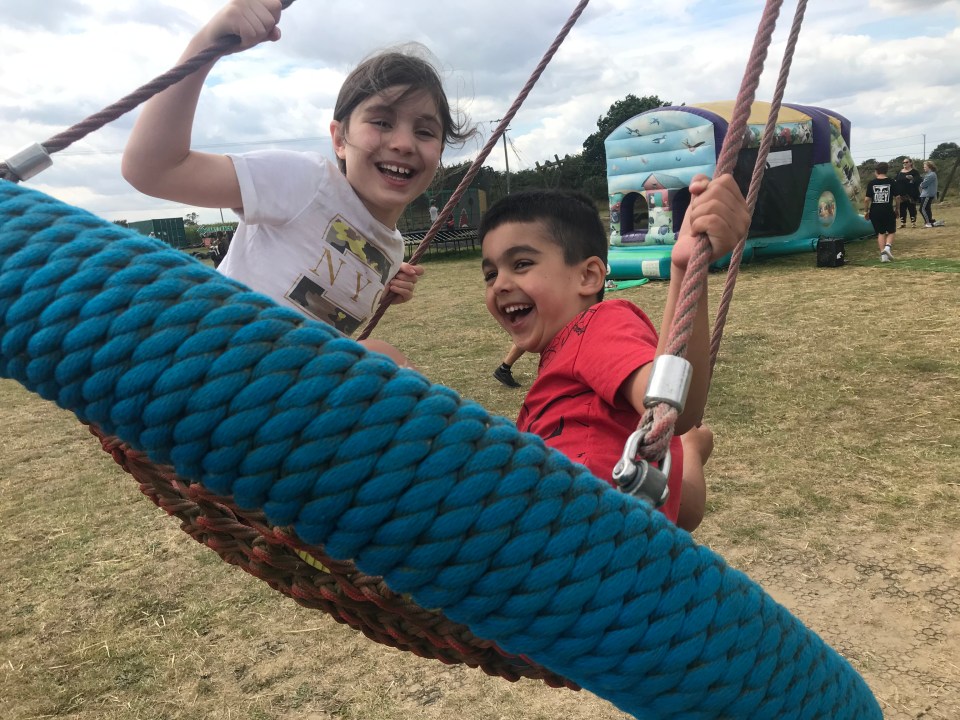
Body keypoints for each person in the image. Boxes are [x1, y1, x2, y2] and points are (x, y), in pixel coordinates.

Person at [122, 0, 474, 351]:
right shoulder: (305, 181)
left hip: (274, 391)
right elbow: (155, 169)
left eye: (425, 132)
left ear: (440, 153)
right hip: (205, 357)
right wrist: (208, 40)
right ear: (339, 139)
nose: (403, 143)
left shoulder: (392, 250)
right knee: (386, 357)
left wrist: (377, 287)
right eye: (382, 122)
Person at [479, 181, 750, 532]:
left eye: (521, 263)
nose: (499, 283)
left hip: (588, 544)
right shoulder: (560, 371)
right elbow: (685, 512)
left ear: (589, 276)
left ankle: (691, 446)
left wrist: (683, 271)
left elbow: (666, 405)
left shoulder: (595, 326)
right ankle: (691, 448)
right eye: (490, 274)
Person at [863, 162, 897, 262]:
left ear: (876, 171)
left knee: (880, 233)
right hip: (887, 209)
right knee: (891, 231)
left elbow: (866, 199)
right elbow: (898, 197)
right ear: (886, 170)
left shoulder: (871, 183)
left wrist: (866, 211)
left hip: (875, 211)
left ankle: (883, 256)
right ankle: (887, 247)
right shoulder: (891, 182)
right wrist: (897, 209)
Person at [894, 158, 921, 228]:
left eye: (906, 162)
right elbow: (896, 180)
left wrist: (912, 179)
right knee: (902, 208)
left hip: (911, 193)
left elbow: (919, 180)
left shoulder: (914, 172)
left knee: (911, 208)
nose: (904, 163)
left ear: (910, 163)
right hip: (901, 193)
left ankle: (913, 223)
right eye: (903, 162)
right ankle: (903, 223)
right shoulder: (900, 172)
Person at [919, 160, 943, 228]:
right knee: (927, 208)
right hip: (927, 194)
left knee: (922, 209)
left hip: (927, 194)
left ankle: (928, 223)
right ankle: (931, 220)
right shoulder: (930, 174)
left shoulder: (931, 175)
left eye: (925, 167)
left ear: (929, 167)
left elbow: (923, 185)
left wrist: (920, 183)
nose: (924, 168)